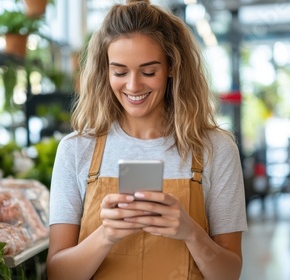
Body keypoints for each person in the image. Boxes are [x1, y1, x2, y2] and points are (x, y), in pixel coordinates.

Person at [46, 0, 247, 279]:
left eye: (149, 71)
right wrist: (107, 234)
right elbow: (58, 274)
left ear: (172, 67)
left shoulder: (216, 149)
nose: (133, 85)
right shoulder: (76, 150)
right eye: (119, 71)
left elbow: (229, 273)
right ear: (105, 71)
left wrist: (189, 232)